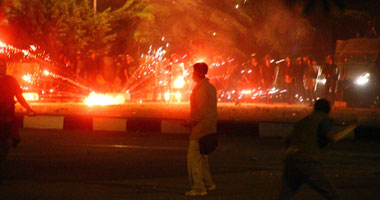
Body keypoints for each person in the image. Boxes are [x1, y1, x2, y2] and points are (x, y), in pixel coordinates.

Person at [278, 99, 358, 200]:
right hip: (308, 163)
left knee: (284, 196)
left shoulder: (303, 121)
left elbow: (286, 140)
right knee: (332, 194)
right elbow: (334, 137)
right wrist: (353, 125)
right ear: (328, 110)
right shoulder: (323, 120)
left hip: (291, 162)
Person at [184, 62, 217, 196]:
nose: (191, 74)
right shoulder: (210, 88)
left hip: (200, 129)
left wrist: (189, 122)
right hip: (209, 128)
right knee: (203, 159)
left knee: (193, 160)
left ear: (198, 73)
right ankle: (208, 184)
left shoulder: (201, 90)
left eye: (193, 71)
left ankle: (199, 188)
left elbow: (200, 112)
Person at [0, 58, 35, 183]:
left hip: (8, 114)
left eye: (3, 65)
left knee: (9, 141)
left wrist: (28, 108)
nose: (1, 67)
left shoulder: (11, 80)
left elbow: (19, 96)